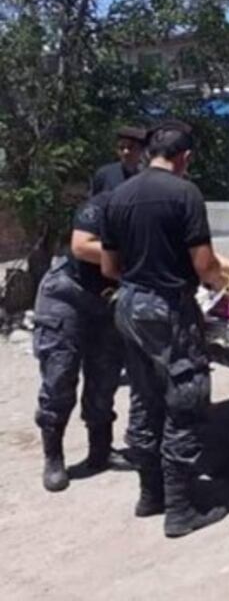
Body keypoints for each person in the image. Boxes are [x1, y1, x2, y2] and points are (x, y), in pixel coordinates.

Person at [101, 120, 229, 538]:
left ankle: (150, 494)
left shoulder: (117, 195)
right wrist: (225, 286)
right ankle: (180, 509)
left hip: (128, 305)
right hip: (167, 308)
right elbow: (204, 264)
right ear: (185, 158)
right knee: (186, 397)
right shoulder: (185, 193)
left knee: (144, 397)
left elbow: (108, 267)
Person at [33, 191, 134, 492]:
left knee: (105, 377)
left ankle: (100, 450)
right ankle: (54, 458)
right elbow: (81, 247)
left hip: (106, 300)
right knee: (60, 375)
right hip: (67, 295)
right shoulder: (99, 206)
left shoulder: (146, 209)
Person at [90, 125, 148, 195]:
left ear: (141, 150)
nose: (125, 152)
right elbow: (93, 202)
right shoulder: (105, 175)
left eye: (130, 147)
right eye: (121, 148)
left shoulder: (147, 177)